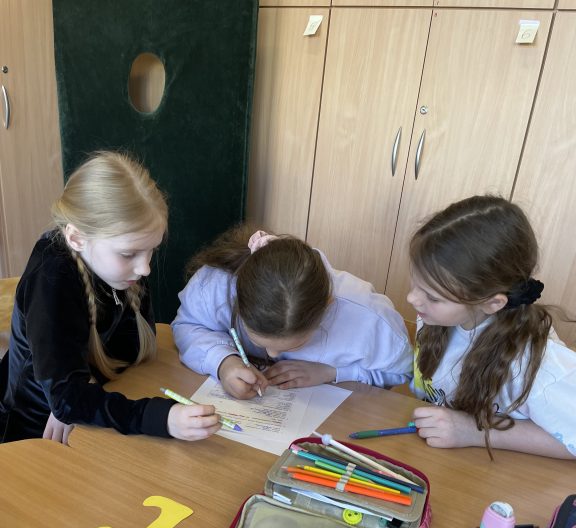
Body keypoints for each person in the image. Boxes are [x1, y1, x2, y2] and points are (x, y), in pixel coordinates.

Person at [0, 151, 219, 444]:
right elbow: (66, 401)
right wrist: (162, 418)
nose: (145, 268)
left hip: (87, 419)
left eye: (151, 250)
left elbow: (132, 346)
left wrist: (83, 391)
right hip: (28, 434)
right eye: (129, 254)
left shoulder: (121, 264)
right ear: (77, 238)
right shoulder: (51, 278)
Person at [407, 195, 576, 459]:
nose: (412, 299)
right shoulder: (434, 318)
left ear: (492, 303)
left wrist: (475, 432)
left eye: (433, 297)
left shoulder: (538, 365)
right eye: (415, 283)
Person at [171, 226, 412, 398]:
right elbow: (187, 326)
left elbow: (399, 373)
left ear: (327, 307)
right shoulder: (216, 285)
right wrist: (223, 362)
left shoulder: (371, 320)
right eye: (260, 342)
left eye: (296, 345)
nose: (272, 354)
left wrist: (333, 372)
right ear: (239, 299)